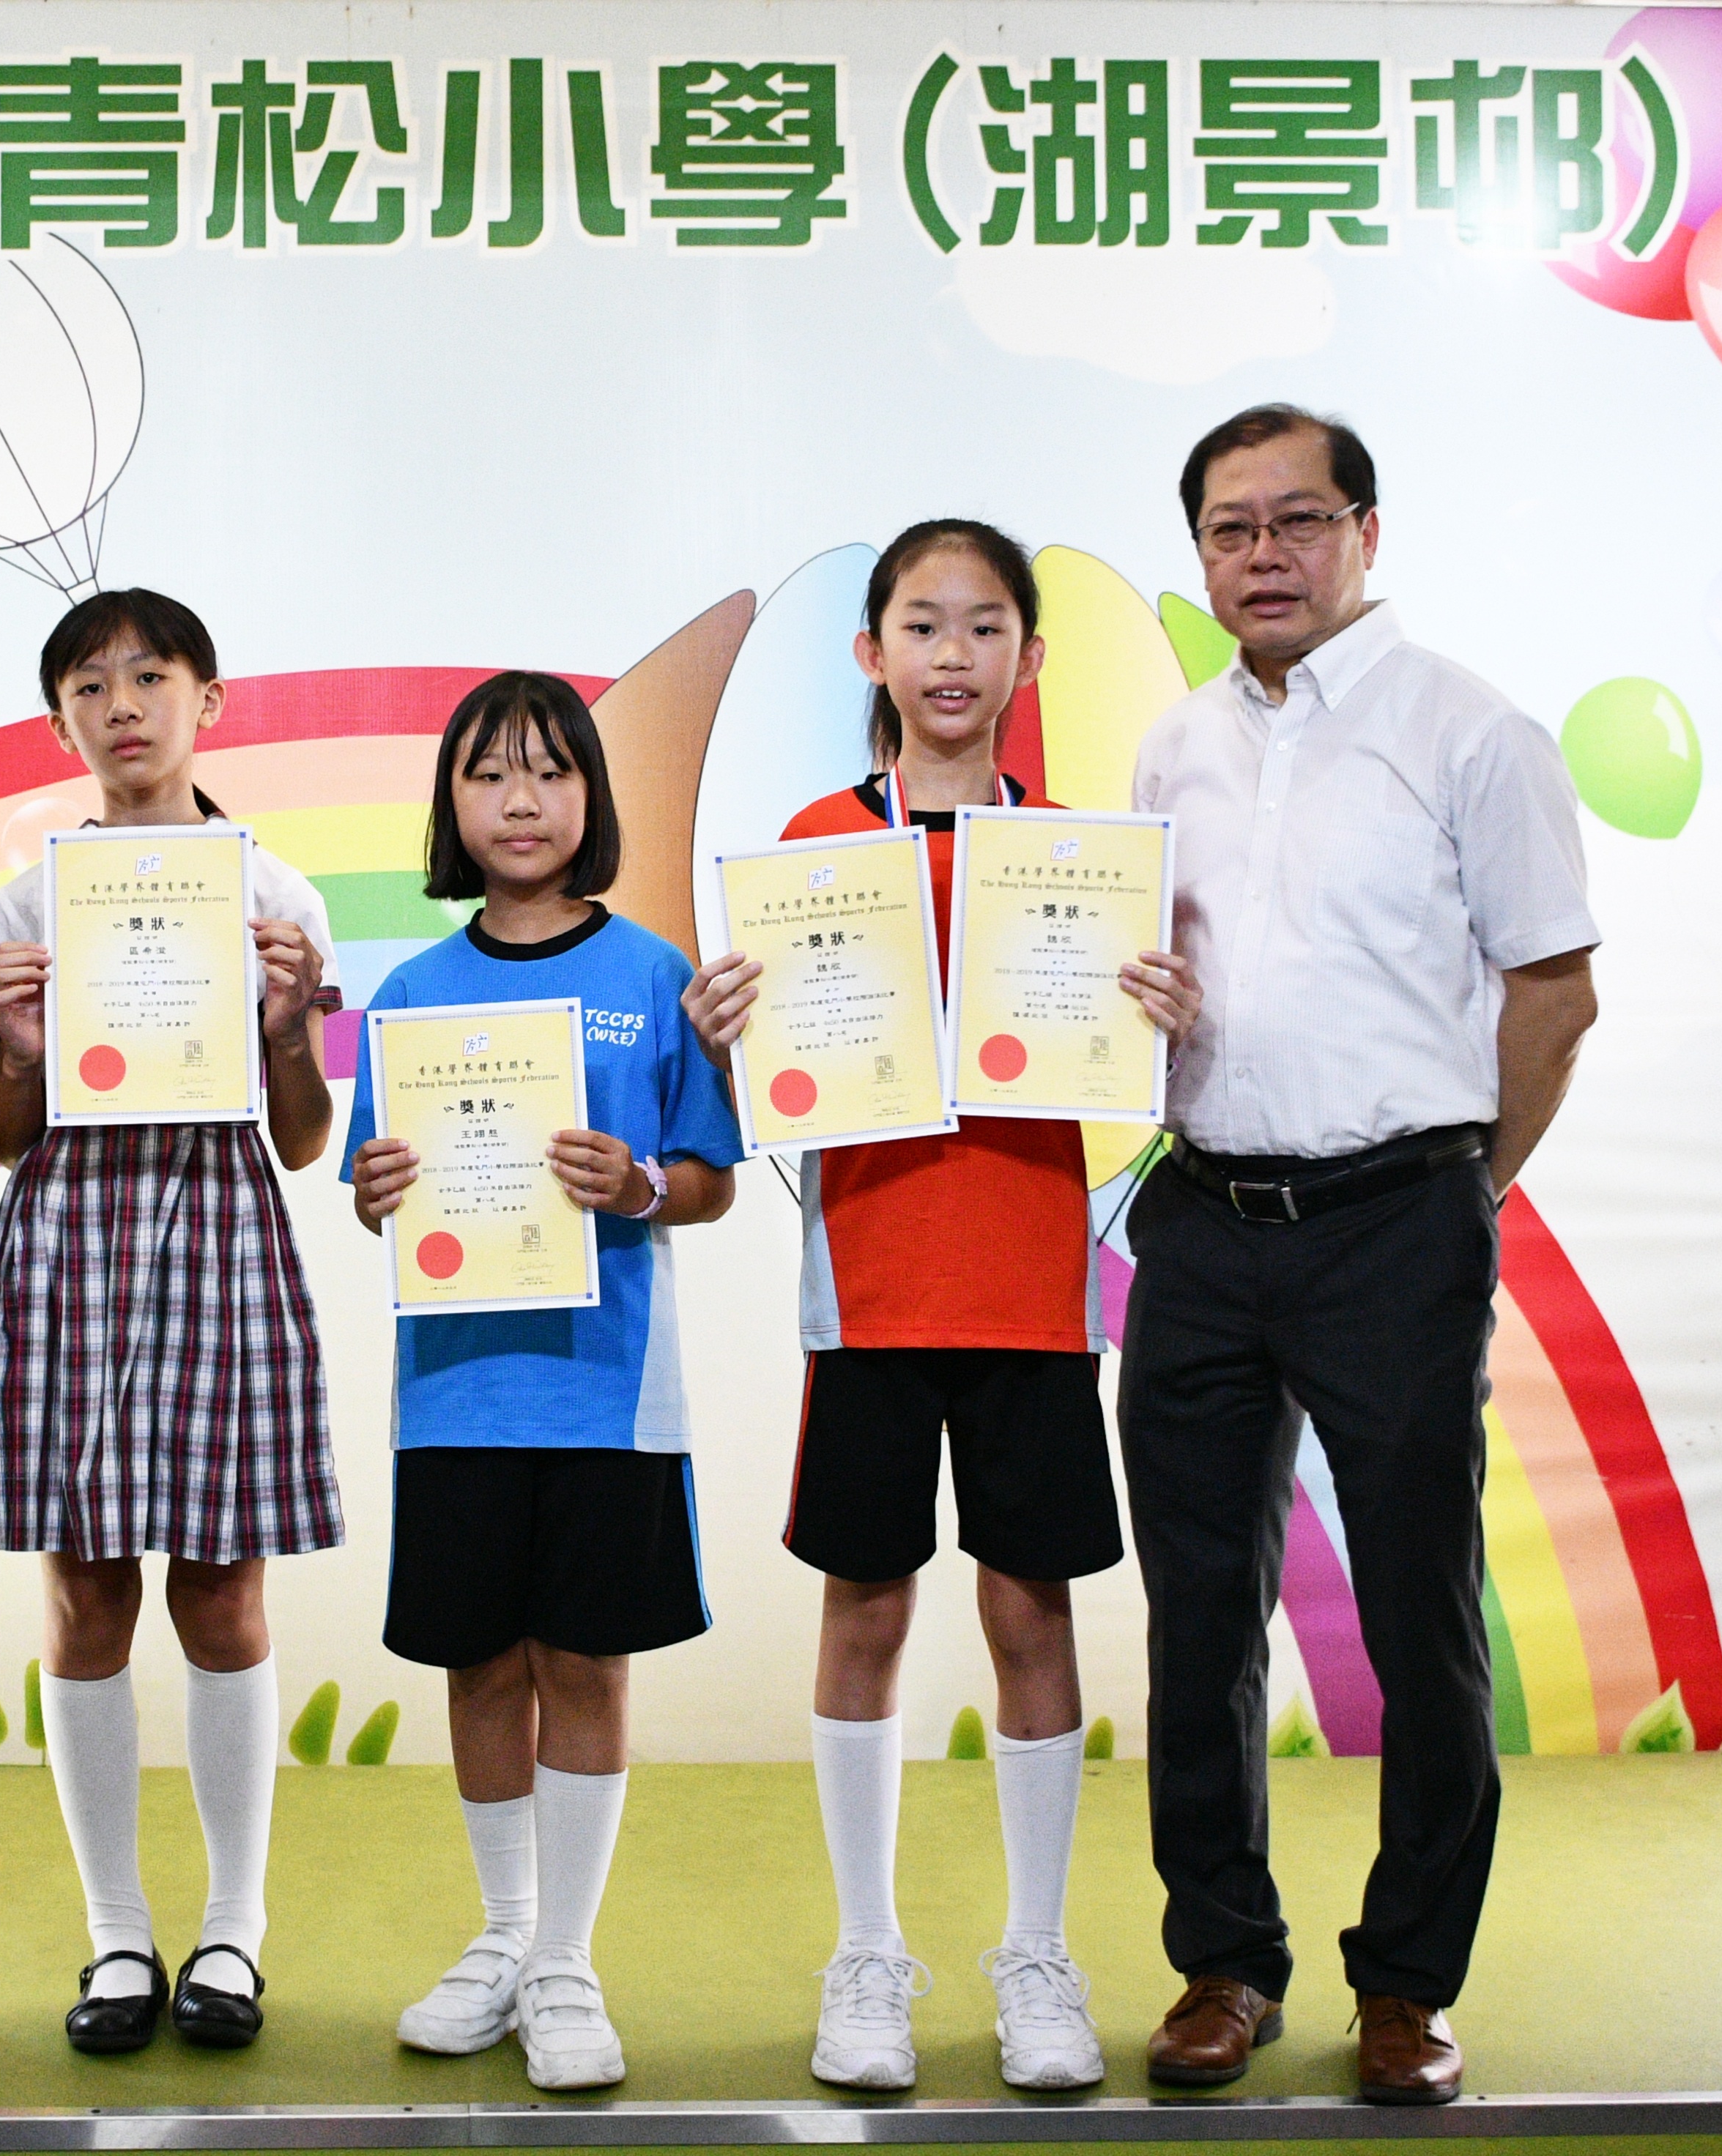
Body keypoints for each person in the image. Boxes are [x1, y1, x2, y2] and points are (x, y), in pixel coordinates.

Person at [683, 520, 1199, 2094]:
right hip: (872, 1290)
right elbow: (773, 1073)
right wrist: (724, 1024)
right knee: (868, 1610)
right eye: (923, 624)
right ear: (873, 654)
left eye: (984, 627)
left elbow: (1130, 1070)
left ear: (1028, 658)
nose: (953, 654)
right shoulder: (813, 847)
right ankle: (867, 1950)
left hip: (1034, 1289)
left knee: (1032, 1613)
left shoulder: (1080, 861)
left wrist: (1164, 1014)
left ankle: (1038, 1952)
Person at [1122, 404, 1598, 2106]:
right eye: (1230, 528)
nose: (1265, 554)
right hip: (1200, 1218)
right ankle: (1222, 1960)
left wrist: (1466, 1193)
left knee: (1419, 1612)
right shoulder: (1170, 750)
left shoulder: (1472, 730)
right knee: (1198, 1614)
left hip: (1399, 1220)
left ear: (1367, 533)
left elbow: (1555, 991)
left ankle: (1407, 1980)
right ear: (1201, 553)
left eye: (1299, 520)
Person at [346, 672, 743, 2092]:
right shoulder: (411, 993)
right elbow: (375, 1193)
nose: (522, 800)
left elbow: (707, 1179)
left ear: (592, 796)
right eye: (490, 773)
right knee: (480, 1660)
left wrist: (640, 1183)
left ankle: (567, 1956)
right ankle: (506, 1933)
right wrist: (378, 1191)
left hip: (608, 1395)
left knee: (582, 1659)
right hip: (456, 1394)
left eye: (551, 771)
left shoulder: (651, 974)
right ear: (450, 804)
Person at [0, 589, 346, 2056]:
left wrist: (287, 1024)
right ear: (60, 717)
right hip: (69, 1230)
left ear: (210, 700)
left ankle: (235, 1927)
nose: (121, 704)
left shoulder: (278, 894)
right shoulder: (26, 904)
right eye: (89, 683)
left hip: (219, 1219)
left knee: (224, 1592)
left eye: (150, 675)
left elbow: (303, 1139)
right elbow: (7, 1136)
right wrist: (15, 1050)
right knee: (83, 1594)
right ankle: (118, 1930)